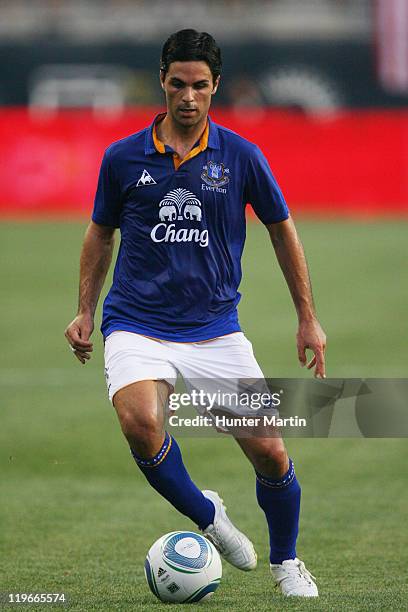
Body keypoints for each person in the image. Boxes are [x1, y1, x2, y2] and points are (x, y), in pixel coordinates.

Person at [65, 29, 326, 598]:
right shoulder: (123, 157)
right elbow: (99, 234)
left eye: (200, 86)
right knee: (140, 423)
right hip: (135, 321)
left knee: (271, 451)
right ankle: (210, 518)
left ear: (216, 87)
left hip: (215, 330)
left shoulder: (241, 156)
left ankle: (287, 562)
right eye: (178, 84)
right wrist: (85, 309)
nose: (188, 96)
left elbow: (282, 230)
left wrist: (307, 317)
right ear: (162, 81)